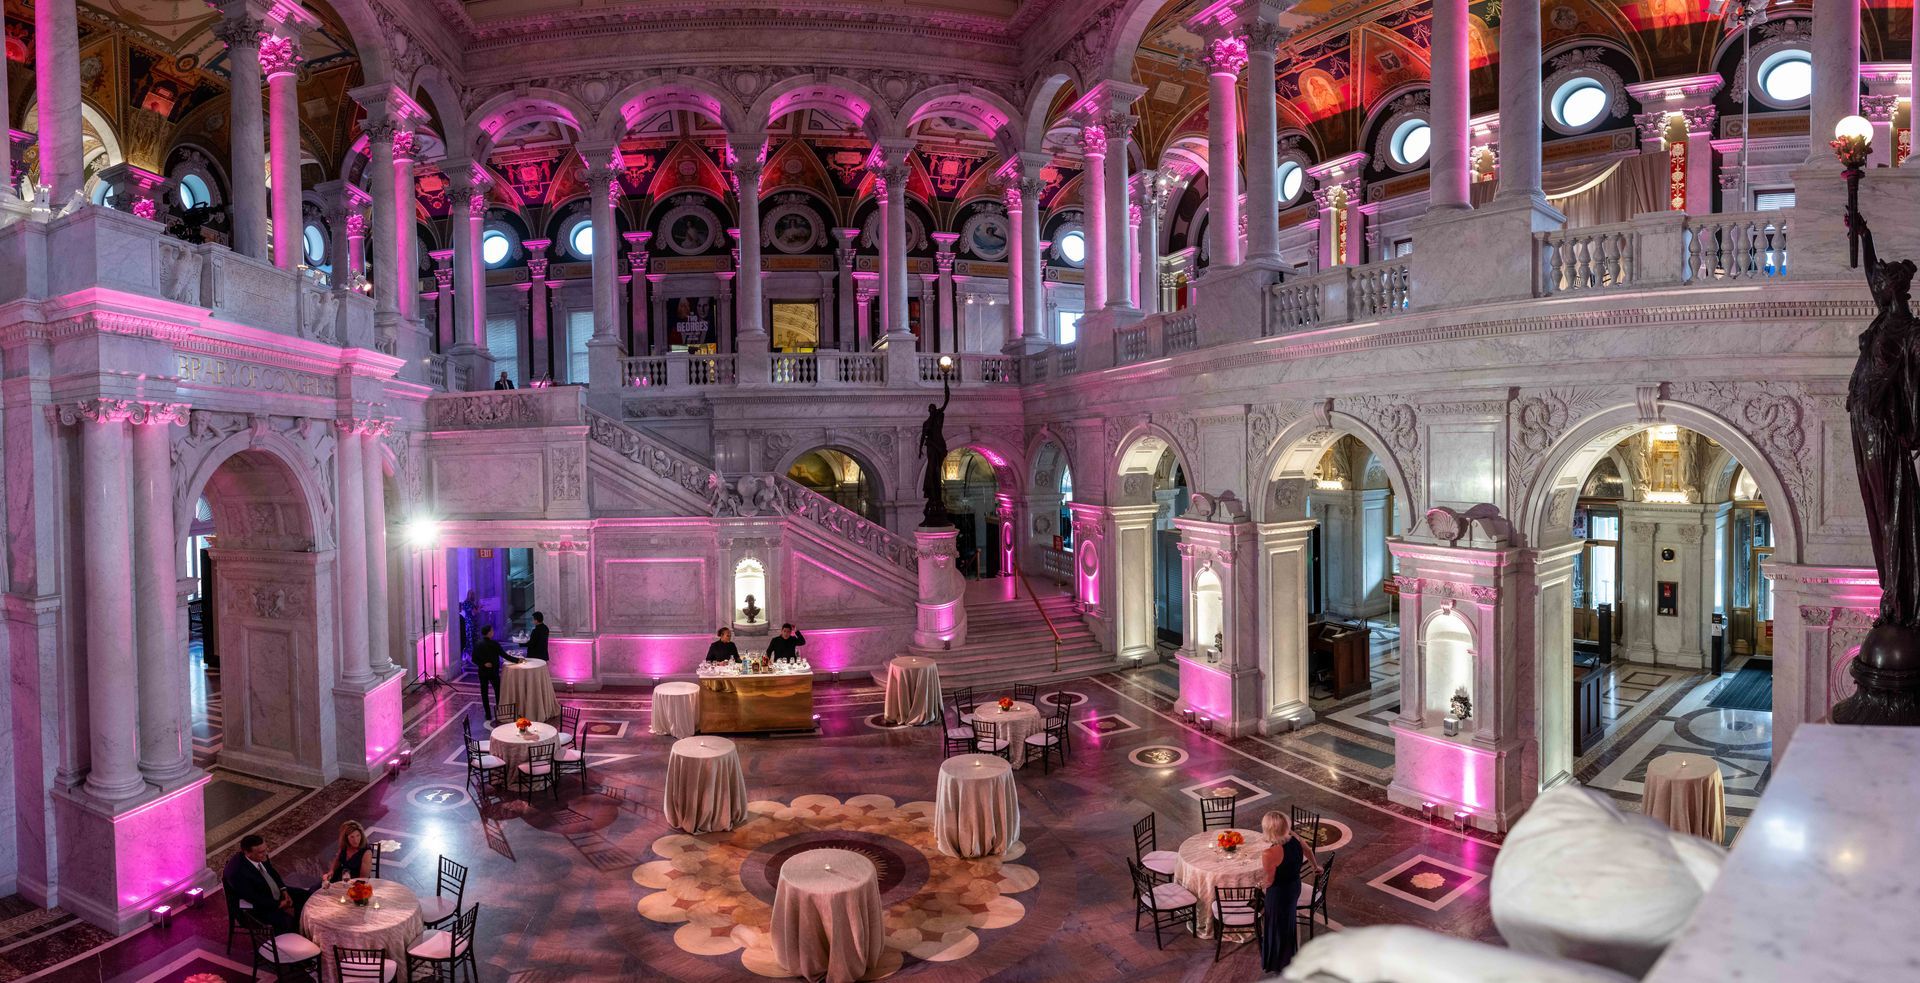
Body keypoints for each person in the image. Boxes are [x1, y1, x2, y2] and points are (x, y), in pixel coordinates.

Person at [222, 834, 310, 934]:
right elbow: (253, 897)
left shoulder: (260, 856)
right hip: (252, 908)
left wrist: (283, 890)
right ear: (247, 853)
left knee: (304, 896)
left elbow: (272, 872)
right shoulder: (236, 872)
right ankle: (287, 940)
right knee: (286, 922)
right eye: (261, 852)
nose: (265, 854)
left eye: (265, 850)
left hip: (267, 890)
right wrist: (278, 904)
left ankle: (300, 927)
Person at [1259, 811, 1306, 974]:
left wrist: (1258, 884)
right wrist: (1315, 867)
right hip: (1294, 886)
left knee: (1275, 924)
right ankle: (1289, 956)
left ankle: (1278, 961)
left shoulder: (1269, 853)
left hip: (1279, 894)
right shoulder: (1294, 838)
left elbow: (1270, 881)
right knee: (1287, 922)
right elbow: (1307, 849)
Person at [473, 624, 519, 723]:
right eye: (492, 630)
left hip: (482, 672)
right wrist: (517, 660)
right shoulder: (494, 644)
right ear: (489, 632)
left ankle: (488, 714)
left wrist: (483, 664)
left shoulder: (477, 644)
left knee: (484, 693)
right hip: (493, 672)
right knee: (498, 692)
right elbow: (504, 655)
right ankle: (499, 712)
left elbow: (474, 659)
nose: (493, 632)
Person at [324, 820, 375, 885]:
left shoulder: (366, 852)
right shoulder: (345, 846)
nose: (356, 840)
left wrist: (348, 886)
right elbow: (337, 860)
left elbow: (363, 878)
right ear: (346, 838)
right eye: (352, 837)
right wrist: (331, 871)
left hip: (355, 882)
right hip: (340, 877)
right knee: (314, 889)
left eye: (358, 835)